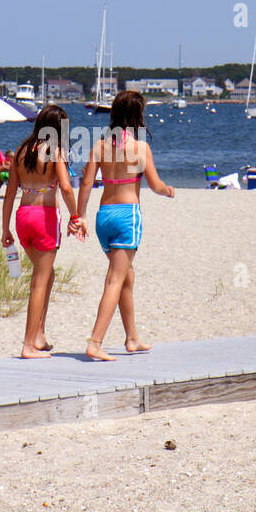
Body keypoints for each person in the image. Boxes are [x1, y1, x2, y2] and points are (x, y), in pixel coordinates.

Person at [75, 91, 174, 362]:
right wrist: (168, 191)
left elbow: (85, 184)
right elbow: (154, 185)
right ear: (137, 115)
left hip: (103, 216)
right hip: (127, 216)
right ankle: (95, 343)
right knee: (115, 280)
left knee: (127, 277)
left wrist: (79, 216)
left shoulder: (100, 145)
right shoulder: (140, 148)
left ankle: (132, 337)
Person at [1, 105, 86, 359]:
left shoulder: (20, 151)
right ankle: (28, 344)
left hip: (23, 216)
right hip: (44, 218)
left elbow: (9, 193)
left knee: (47, 276)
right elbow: (67, 188)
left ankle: (38, 335)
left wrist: (5, 229)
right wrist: (76, 216)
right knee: (40, 280)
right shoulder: (55, 151)